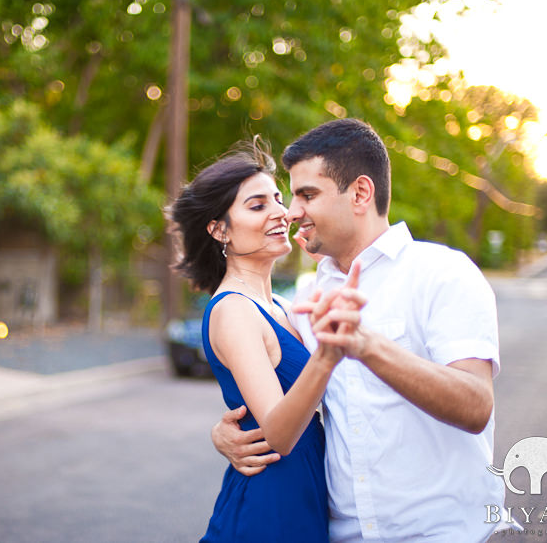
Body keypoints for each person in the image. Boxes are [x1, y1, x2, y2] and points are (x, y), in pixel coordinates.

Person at [212, 119, 508, 542]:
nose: (292, 212)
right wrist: (224, 433)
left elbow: (477, 406)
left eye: (307, 195)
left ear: (361, 193)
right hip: (342, 534)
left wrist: (367, 346)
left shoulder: (442, 273)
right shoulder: (307, 296)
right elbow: (275, 388)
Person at [168, 139, 365, 542]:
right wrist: (326, 357)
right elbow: (277, 433)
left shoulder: (279, 304)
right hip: (268, 508)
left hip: (305, 496)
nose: (281, 212)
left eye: (279, 199)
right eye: (258, 206)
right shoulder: (234, 309)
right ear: (220, 229)